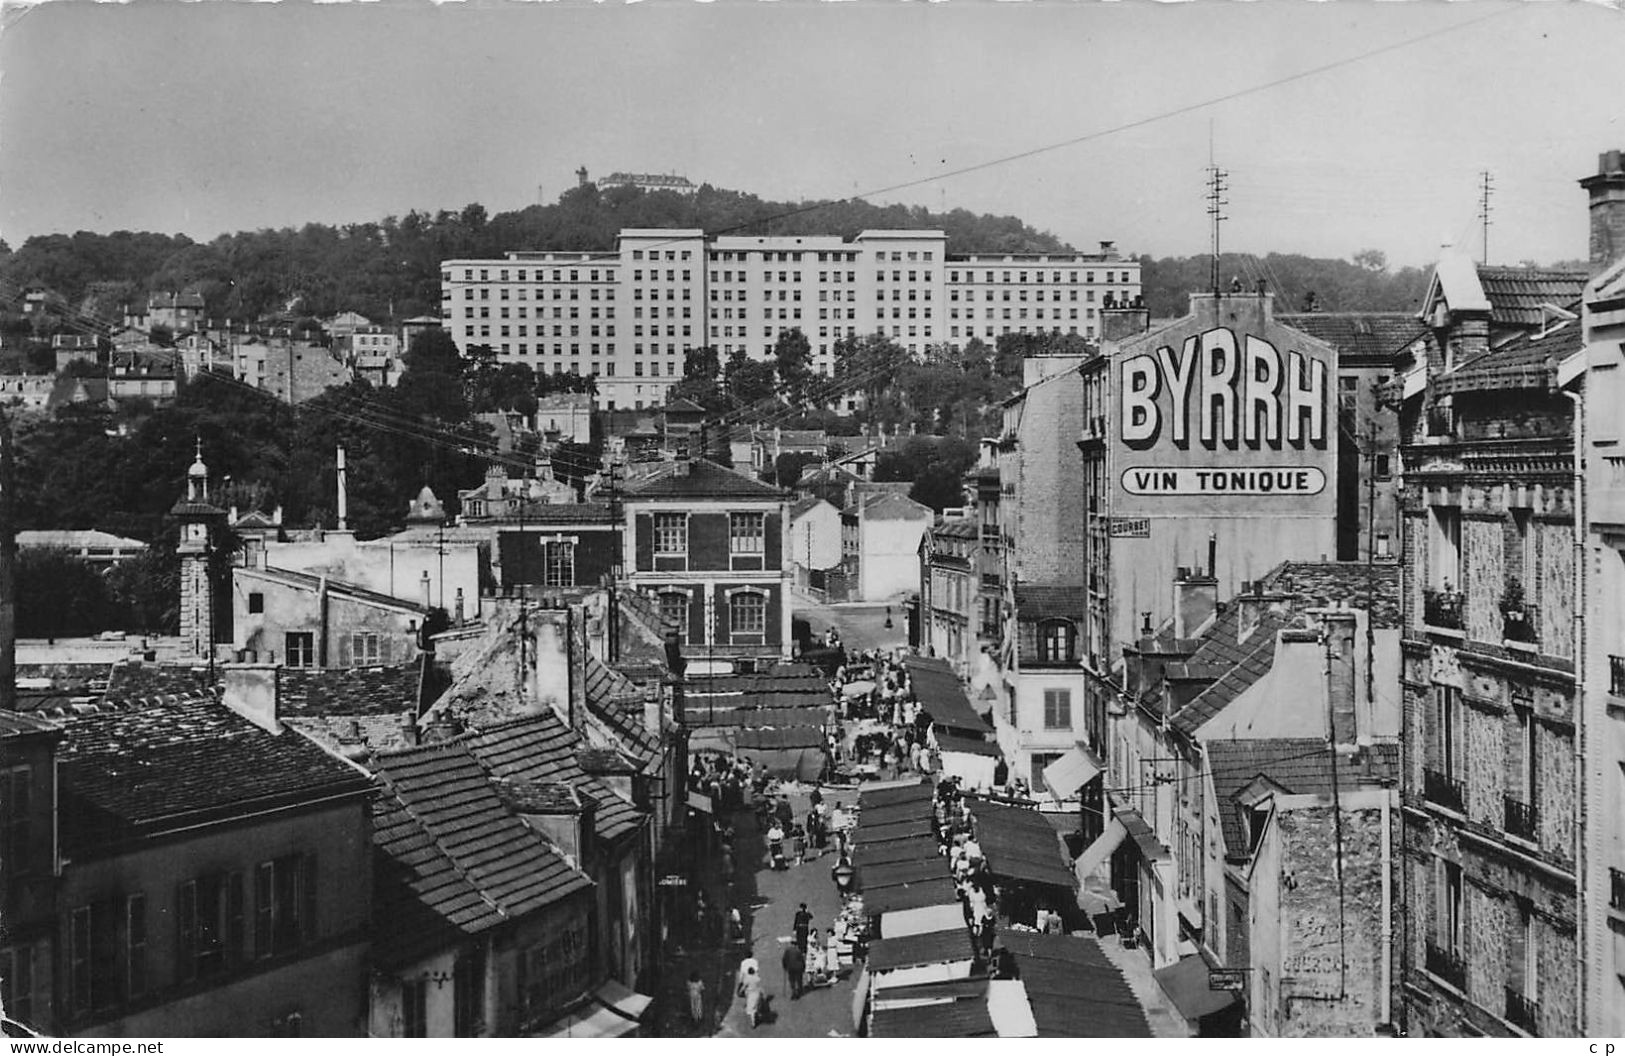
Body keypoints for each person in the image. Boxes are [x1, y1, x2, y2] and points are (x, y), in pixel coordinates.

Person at [735, 957, 763, 1028]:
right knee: (757, 1004)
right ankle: (757, 1014)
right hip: (757, 993)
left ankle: (753, 1022)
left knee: (751, 1009)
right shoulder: (757, 978)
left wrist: (740, 991)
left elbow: (744, 987)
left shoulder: (747, 979)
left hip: (750, 993)